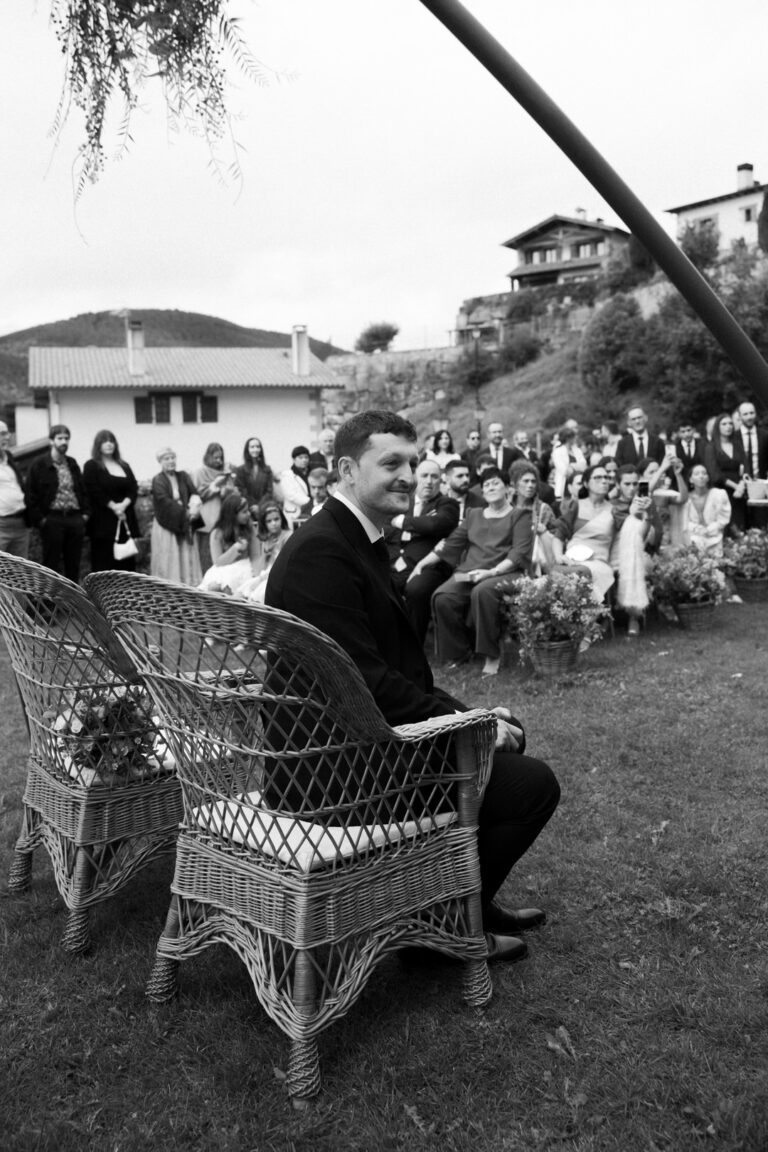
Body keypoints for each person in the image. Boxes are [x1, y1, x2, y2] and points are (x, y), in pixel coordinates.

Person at [266, 410, 559, 965]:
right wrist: (470, 724)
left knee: (510, 739)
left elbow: (386, 673)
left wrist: (472, 715)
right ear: (347, 470)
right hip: (336, 772)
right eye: (391, 463)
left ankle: (472, 900)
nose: (407, 474)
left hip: (358, 739)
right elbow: (365, 685)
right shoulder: (321, 552)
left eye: (413, 462)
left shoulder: (351, 537)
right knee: (531, 786)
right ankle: (437, 928)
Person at [412, 467, 533, 676]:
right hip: (471, 572)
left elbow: (518, 554)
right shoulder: (473, 514)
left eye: (496, 483)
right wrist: (422, 563)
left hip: (506, 573)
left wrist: (492, 572)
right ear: (482, 492)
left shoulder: (519, 515)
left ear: (508, 488)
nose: (491, 487)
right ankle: (457, 654)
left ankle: (491, 654)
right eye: (486, 485)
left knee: (483, 592)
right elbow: (451, 544)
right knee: (443, 596)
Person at [25, 424, 90, 583]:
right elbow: (30, 494)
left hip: (75, 518)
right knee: (51, 565)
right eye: (60, 438)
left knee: (73, 565)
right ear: (51, 441)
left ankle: (73, 605)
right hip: (52, 519)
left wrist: (86, 515)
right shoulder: (39, 464)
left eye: (66, 438)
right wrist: (41, 519)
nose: (64, 442)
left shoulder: (72, 463)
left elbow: (82, 490)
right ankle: (48, 605)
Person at [384, 458, 459, 595]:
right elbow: (387, 532)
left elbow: (435, 524)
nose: (429, 481)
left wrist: (402, 522)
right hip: (396, 562)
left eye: (434, 476)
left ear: (440, 480)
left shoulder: (447, 504)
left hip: (430, 566)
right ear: (415, 478)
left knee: (416, 589)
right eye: (424, 476)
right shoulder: (402, 501)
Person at [550, 463, 617, 601]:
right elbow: (559, 536)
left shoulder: (614, 510)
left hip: (598, 562)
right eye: (598, 477)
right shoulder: (576, 505)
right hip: (571, 560)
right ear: (586, 483)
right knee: (558, 571)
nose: (604, 481)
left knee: (580, 573)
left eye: (606, 477)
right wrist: (559, 556)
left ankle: (588, 617)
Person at [83, 429, 140, 572]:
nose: (109, 444)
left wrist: (123, 505)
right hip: (103, 522)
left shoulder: (124, 465)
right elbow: (93, 490)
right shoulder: (91, 465)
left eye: (111, 441)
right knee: (104, 562)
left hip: (125, 518)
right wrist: (114, 507)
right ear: (98, 445)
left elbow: (133, 488)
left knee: (127, 564)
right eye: (105, 441)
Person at [150, 448, 203, 586]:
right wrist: (185, 513)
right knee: (170, 556)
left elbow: (194, 493)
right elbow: (164, 502)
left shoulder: (183, 476)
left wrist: (194, 508)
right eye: (166, 459)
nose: (170, 461)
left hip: (186, 519)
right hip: (167, 524)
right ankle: (169, 586)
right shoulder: (158, 480)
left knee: (186, 554)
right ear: (160, 462)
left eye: (172, 458)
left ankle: (188, 585)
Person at [199, 492, 261, 595]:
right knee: (213, 587)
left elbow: (256, 556)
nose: (249, 514)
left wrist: (256, 576)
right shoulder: (217, 533)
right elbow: (218, 561)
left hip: (243, 567)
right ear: (233, 514)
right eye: (244, 512)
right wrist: (235, 549)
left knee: (228, 587)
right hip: (223, 568)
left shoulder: (250, 530)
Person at [703, 412, 747, 533]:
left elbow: (746, 467)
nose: (728, 426)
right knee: (724, 527)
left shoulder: (738, 445)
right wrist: (736, 486)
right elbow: (714, 474)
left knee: (740, 526)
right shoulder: (711, 447)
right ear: (718, 427)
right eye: (724, 424)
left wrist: (742, 484)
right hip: (721, 491)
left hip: (739, 492)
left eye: (730, 424)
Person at [682, 463, 731, 555]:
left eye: (704, 473)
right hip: (694, 539)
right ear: (690, 479)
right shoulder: (686, 498)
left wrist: (709, 530)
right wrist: (698, 529)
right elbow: (685, 522)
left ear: (708, 478)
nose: (701, 476)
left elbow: (723, 519)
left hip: (715, 538)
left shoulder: (719, 494)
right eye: (696, 474)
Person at [0, 420, 30, 558]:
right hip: (2, 524)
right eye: (2, 434)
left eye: (7, 433)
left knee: (18, 572)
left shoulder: (9, 458)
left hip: (20, 523)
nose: (7, 437)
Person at [737, 400, 768, 529]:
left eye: (751, 413)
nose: (749, 417)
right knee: (741, 526)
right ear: (739, 417)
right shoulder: (734, 437)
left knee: (761, 525)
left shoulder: (764, 435)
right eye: (745, 414)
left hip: (760, 487)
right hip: (739, 486)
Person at [232, 437, 274, 519]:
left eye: (258, 447)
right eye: (252, 447)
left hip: (264, 509)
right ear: (247, 450)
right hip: (247, 509)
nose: (255, 449)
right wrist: (253, 506)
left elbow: (269, 492)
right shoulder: (241, 470)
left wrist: (259, 506)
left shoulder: (267, 469)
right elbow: (241, 491)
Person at [550, 425, 587, 502]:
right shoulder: (557, 452)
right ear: (567, 438)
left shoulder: (577, 450)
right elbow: (564, 471)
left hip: (579, 484)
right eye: (573, 437)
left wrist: (572, 466)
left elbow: (584, 466)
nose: (575, 439)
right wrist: (576, 466)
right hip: (564, 485)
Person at [279, 445, 311, 525]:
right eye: (300, 457)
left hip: (309, 512)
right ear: (294, 459)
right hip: (294, 512)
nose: (304, 460)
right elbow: (291, 495)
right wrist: (310, 502)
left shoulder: (311, 473)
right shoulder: (287, 475)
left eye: (306, 457)